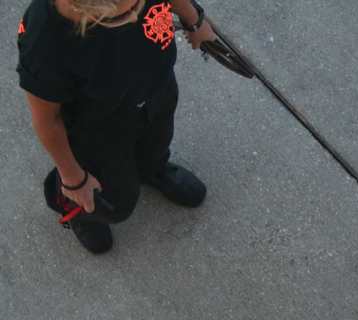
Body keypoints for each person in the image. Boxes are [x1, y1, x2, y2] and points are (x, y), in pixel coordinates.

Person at [17, 0, 216, 254]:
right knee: (117, 201)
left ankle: (151, 170)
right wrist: (73, 179)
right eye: (129, 12)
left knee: (156, 143)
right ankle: (80, 210)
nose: (137, 17)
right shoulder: (47, 44)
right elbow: (47, 118)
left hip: (157, 89)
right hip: (99, 125)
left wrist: (194, 19)